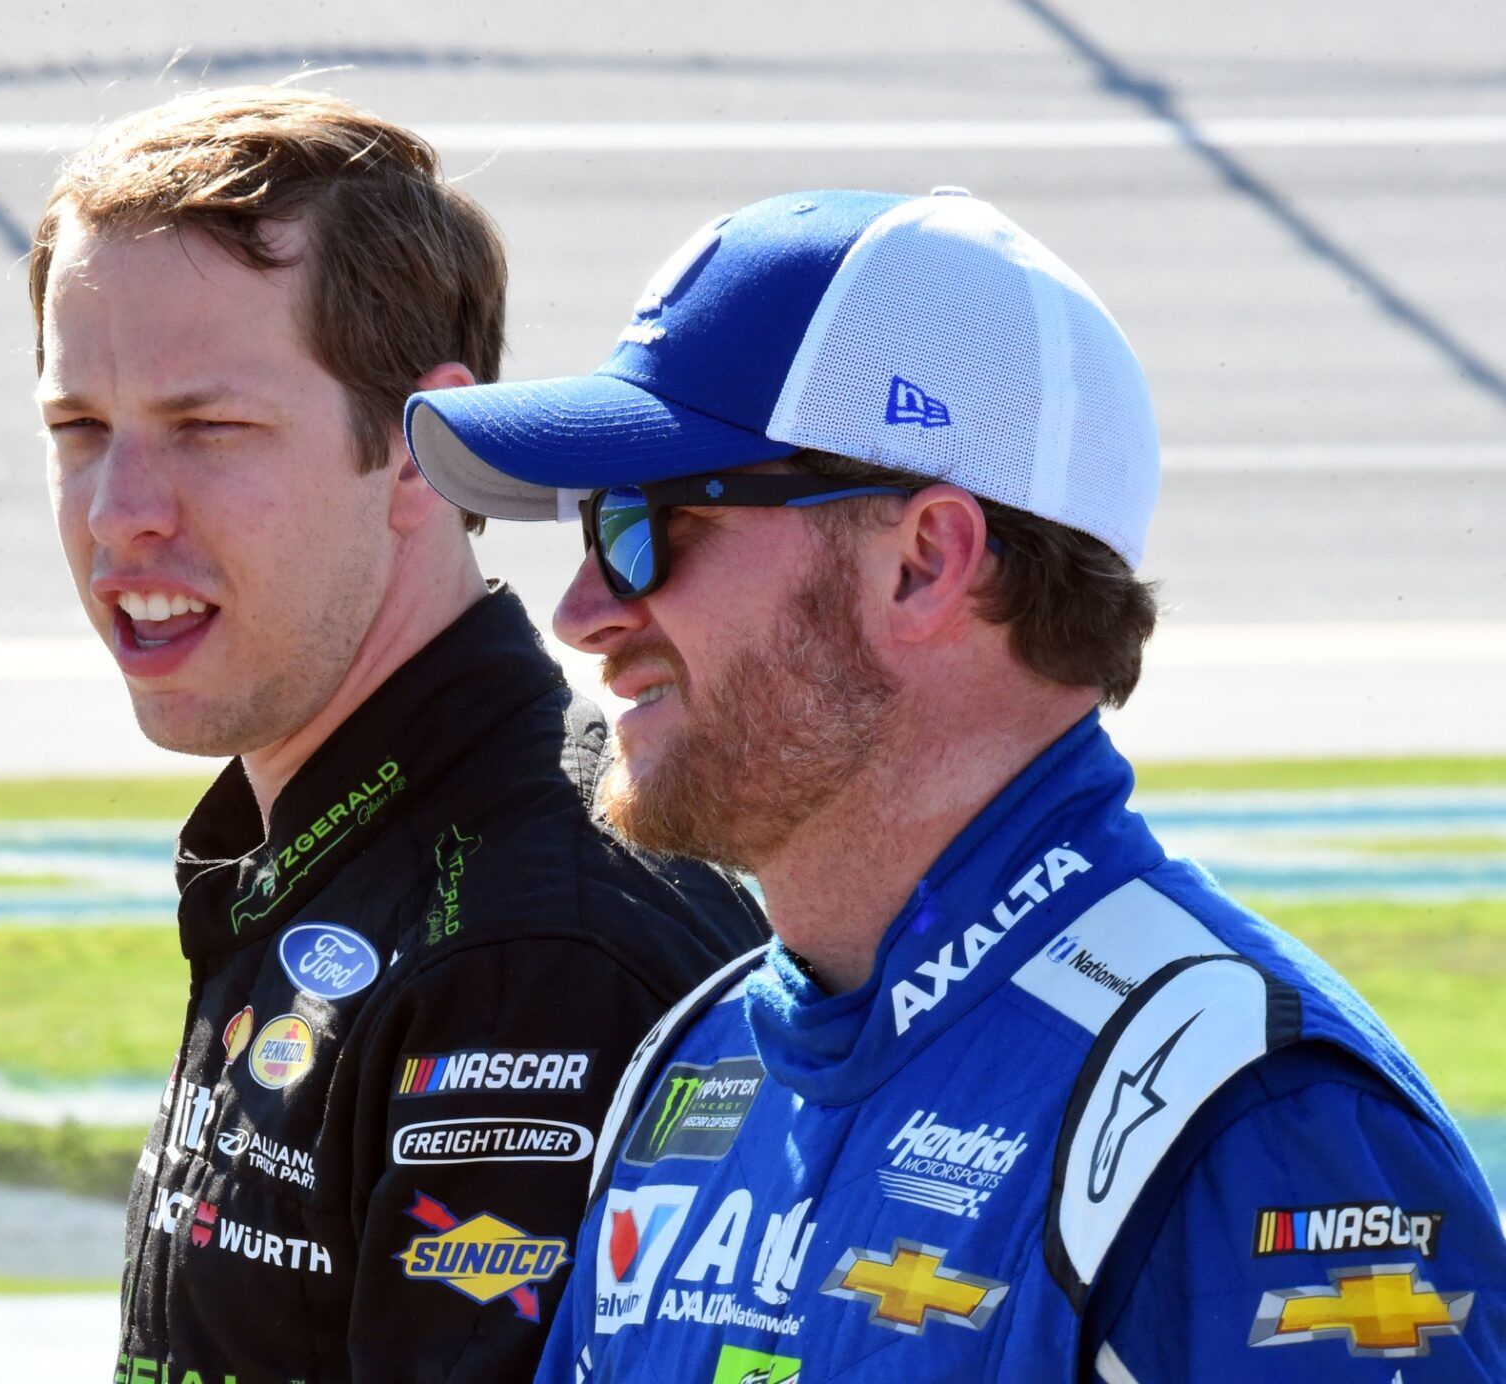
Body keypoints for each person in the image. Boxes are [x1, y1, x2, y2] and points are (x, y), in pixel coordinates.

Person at [404, 188, 1506, 1381]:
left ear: (925, 562)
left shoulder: (1249, 1127)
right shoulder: (700, 1065)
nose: (582, 612)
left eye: (645, 522)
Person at [27, 88, 768, 1384]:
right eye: (79, 430)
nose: (118, 511)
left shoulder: (529, 961)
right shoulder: (326, 844)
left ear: (429, 450)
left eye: (209, 428)